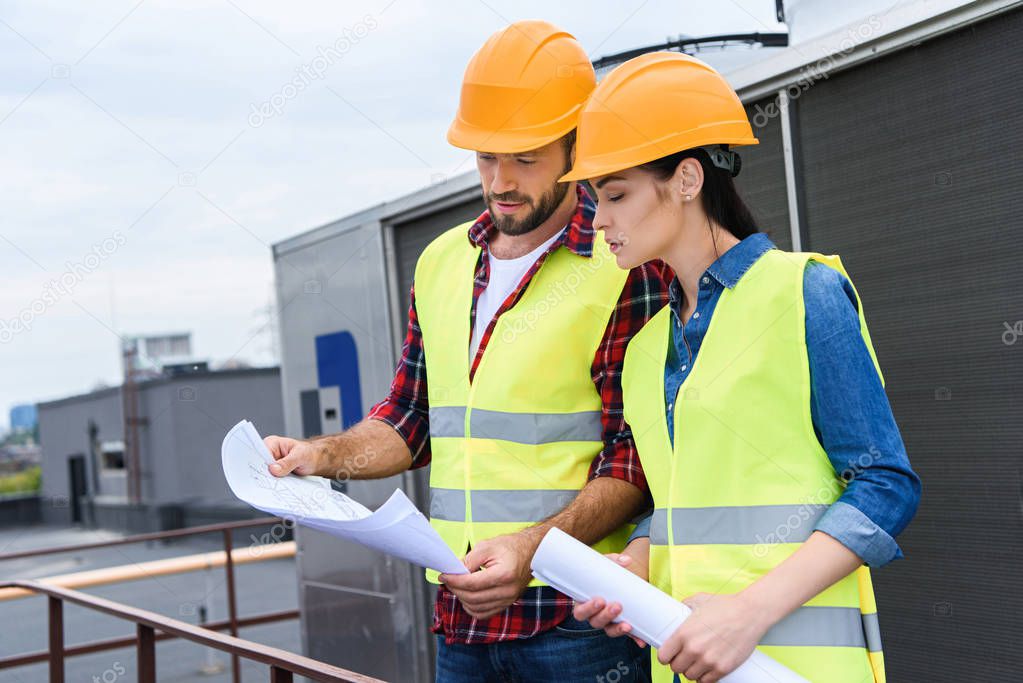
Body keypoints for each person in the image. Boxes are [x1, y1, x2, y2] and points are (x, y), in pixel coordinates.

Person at [263, 21, 670, 682]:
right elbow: (409, 419)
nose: (501, 180)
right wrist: (321, 456)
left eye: (526, 157)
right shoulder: (441, 262)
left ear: (577, 146)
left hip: (578, 620)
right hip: (462, 614)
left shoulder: (623, 261)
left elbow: (637, 457)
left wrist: (531, 551)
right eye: (485, 156)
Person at [562, 52, 920, 683]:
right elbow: (685, 504)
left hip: (797, 667)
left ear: (687, 180)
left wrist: (747, 613)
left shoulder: (804, 292)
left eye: (615, 195)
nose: (601, 222)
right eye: (596, 200)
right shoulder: (648, 349)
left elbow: (884, 486)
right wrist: (637, 565)